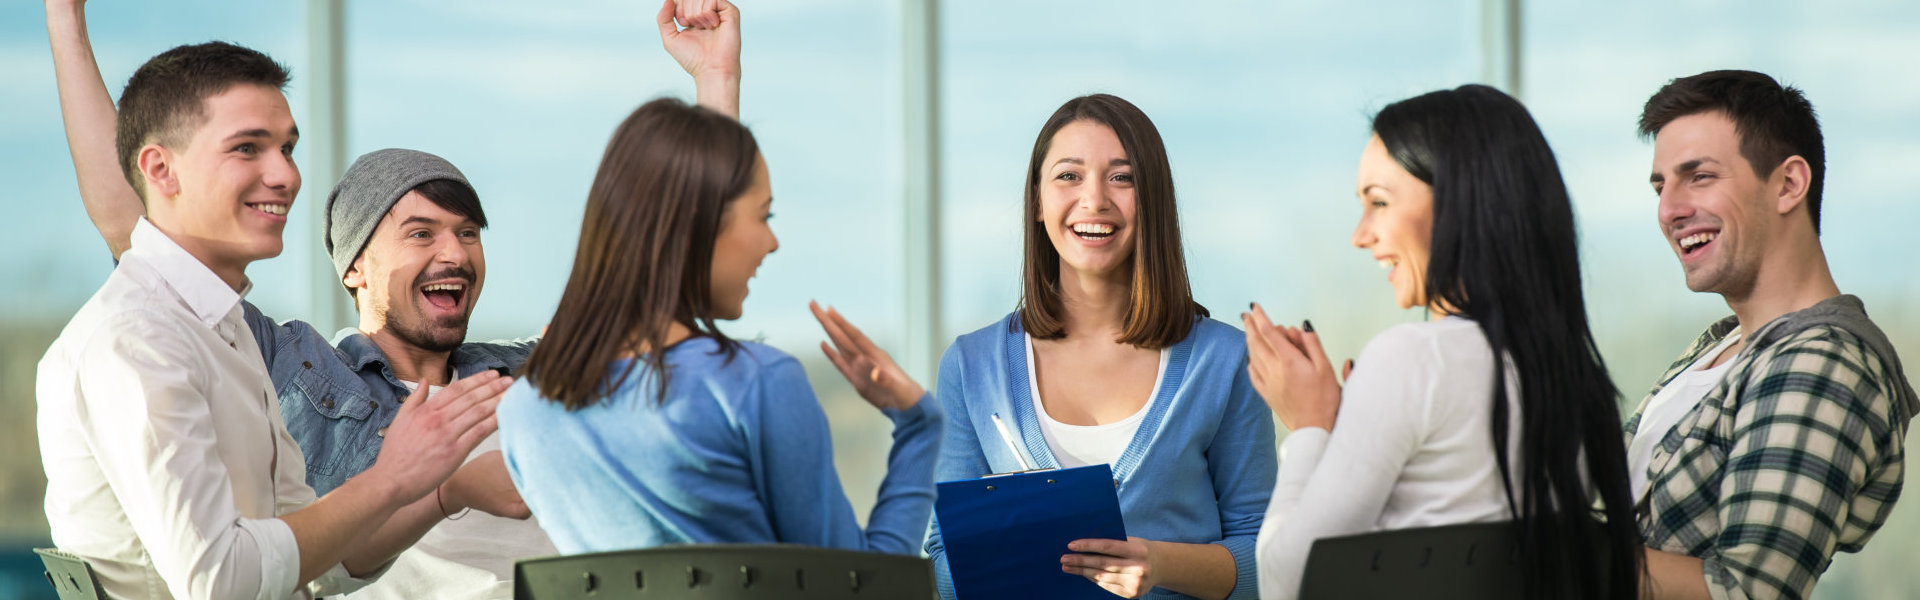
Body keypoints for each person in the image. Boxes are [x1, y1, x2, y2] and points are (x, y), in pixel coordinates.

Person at [41, 0, 745, 597]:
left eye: (468, 231)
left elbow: (668, 284)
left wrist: (715, 80)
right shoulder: (286, 363)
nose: (454, 252)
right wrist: (65, 16)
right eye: (420, 232)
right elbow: (134, 213)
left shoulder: (520, 376)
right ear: (355, 267)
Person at [34, 33, 510, 600]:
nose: (286, 175)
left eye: (287, 148)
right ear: (161, 171)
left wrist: (438, 493)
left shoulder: (221, 328)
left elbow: (318, 562)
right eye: (247, 149)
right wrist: (391, 478)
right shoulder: (138, 339)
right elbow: (221, 581)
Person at [1245, 84, 1642, 600]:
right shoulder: (1575, 379)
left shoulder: (1414, 359)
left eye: (1379, 203)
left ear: (1461, 204)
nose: (1360, 235)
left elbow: (1286, 582)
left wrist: (1310, 427)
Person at [496, 97, 941, 556]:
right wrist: (919, 425)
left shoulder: (525, 412)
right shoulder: (758, 383)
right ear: (698, 224)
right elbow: (865, 586)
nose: (772, 242)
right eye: (764, 216)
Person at [925, 94, 1276, 600]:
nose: (1094, 200)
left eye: (1122, 177)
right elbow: (942, 558)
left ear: (1153, 200)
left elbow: (1264, 557)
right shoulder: (970, 366)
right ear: (1037, 203)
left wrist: (1160, 563)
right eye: (1069, 176)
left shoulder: (1224, 361)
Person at [1628, 70, 1916, 600]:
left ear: (1788, 184)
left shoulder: (1823, 363)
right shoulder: (1722, 348)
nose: (1668, 210)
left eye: (1699, 176)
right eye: (1660, 185)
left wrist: (1559, 549)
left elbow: (1751, 591)